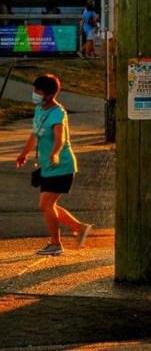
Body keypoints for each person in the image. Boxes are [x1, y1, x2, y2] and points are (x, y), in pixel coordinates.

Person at [14, 74, 92, 255]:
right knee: (48, 204)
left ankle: (56, 244)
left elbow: (60, 137)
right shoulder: (40, 109)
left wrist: (55, 153)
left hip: (61, 165)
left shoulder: (58, 113)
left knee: (46, 204)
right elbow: (35, 134)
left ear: (49, 94)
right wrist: (23, 154)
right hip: (49, 166)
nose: (35, 94)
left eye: (38, 91)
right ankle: (79, 228)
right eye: (34, 90)